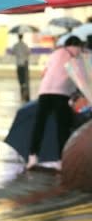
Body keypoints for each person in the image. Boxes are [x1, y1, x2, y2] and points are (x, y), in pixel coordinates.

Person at [27, 35, 83, 169]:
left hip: (44, 91)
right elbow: (78, 78)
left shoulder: (55, 53)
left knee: (39, 125)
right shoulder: (74, 56)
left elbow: (44, 72)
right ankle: (61, 160)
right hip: (61, 93)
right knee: (62, 127)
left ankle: (32, 157)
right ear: (76, 46)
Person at [12, 34, 31, 102]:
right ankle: (24, 93)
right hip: (24, 65)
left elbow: (12, 52)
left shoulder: (16, 45)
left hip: (18, 65)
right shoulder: (25, 45)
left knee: (20, 80)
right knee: (25, 80)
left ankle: (22, 93)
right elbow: (29, 52)